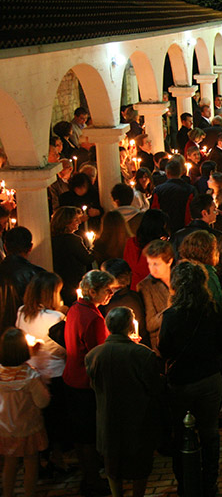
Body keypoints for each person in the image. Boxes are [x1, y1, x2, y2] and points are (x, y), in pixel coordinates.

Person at [158, 261, 222, 497]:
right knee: (210, 433)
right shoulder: (213, 310)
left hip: (181, 383)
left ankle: (185, 483)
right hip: (209, 378)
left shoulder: (170, 316)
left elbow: (165, 349)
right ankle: (210, 483)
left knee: (181, 434)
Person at [85, 307, 162, 497]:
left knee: (113, 466)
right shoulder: (143, 354)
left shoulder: (94, 355)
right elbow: (154, 387)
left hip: (108, 419)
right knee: (139, 465)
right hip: (137, 419)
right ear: (129, 326)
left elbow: (94, 385)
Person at [64, 269, 116, 496]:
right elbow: (98, 355)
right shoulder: (94, 317)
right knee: (89, 434)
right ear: (92, 290)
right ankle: (93, 480)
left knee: (80, 433)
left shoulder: (75, 308)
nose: (110, 295)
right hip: (86, 382)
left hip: (71, 378)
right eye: (107, 291)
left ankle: (88, 476)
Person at [0, 328, 49, 497]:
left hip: (6, 428)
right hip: (28, 427)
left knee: (10, 463)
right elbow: (42, 401)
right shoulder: (30, 376)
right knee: (30, 463)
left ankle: (7, 493)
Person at [50, 206, 93, 306]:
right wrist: (93, 248)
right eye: (76, 220)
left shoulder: (52, 239)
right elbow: (87, 259)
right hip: (73, 281)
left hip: (59, 281)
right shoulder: (73, 240)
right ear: (66, 222)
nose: (79, 222)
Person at [138, 240, 175, 354]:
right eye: (149, 263)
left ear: (169, 261)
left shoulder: (180, 278)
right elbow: (150, 324)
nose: (152, 268)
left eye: (156, 264)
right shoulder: (146, 286)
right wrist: (171, 310)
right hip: (162, 344)